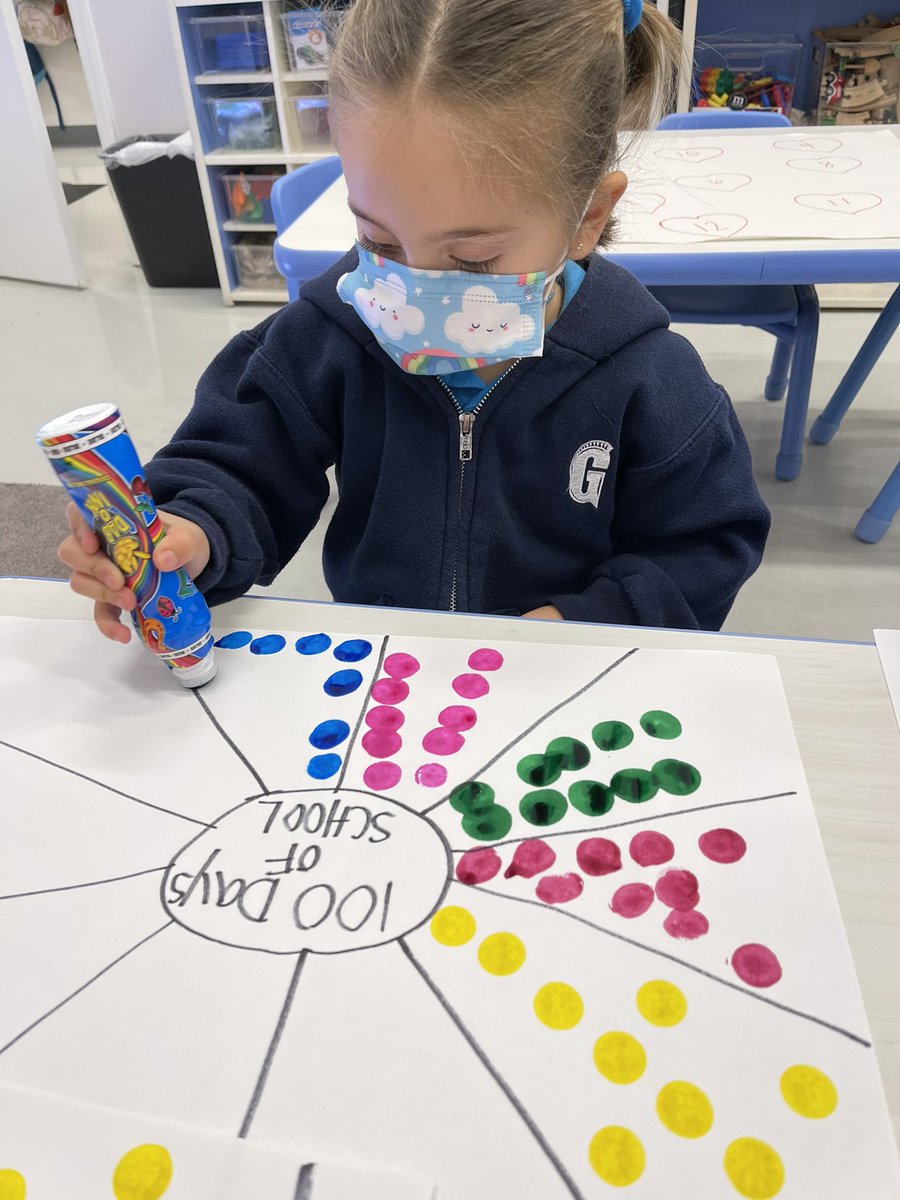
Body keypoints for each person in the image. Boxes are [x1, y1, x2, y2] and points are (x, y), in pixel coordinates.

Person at [58, 0, 769, 639]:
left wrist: (581, 626)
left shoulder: (648, 378)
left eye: (470, 260)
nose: (413, 288)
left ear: (587, 218)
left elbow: (705, 545)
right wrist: (189, 532)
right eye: (380, 240)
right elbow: (238, 464)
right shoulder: (331, 335)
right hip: (382, 675)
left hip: (558, 691)